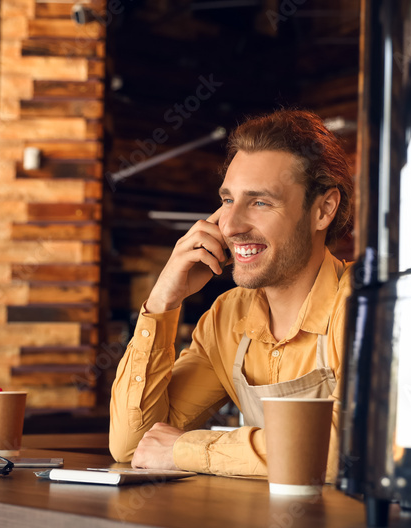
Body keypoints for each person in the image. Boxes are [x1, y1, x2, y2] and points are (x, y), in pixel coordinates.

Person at [108, 109, 354, 480]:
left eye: (260, 202)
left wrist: (187, 449)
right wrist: (162, 302)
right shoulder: (227, 318)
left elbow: (349, 448)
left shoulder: (364, 305)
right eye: (227, 200)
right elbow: (134, 444)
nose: (231, 225)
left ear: (324, 209)